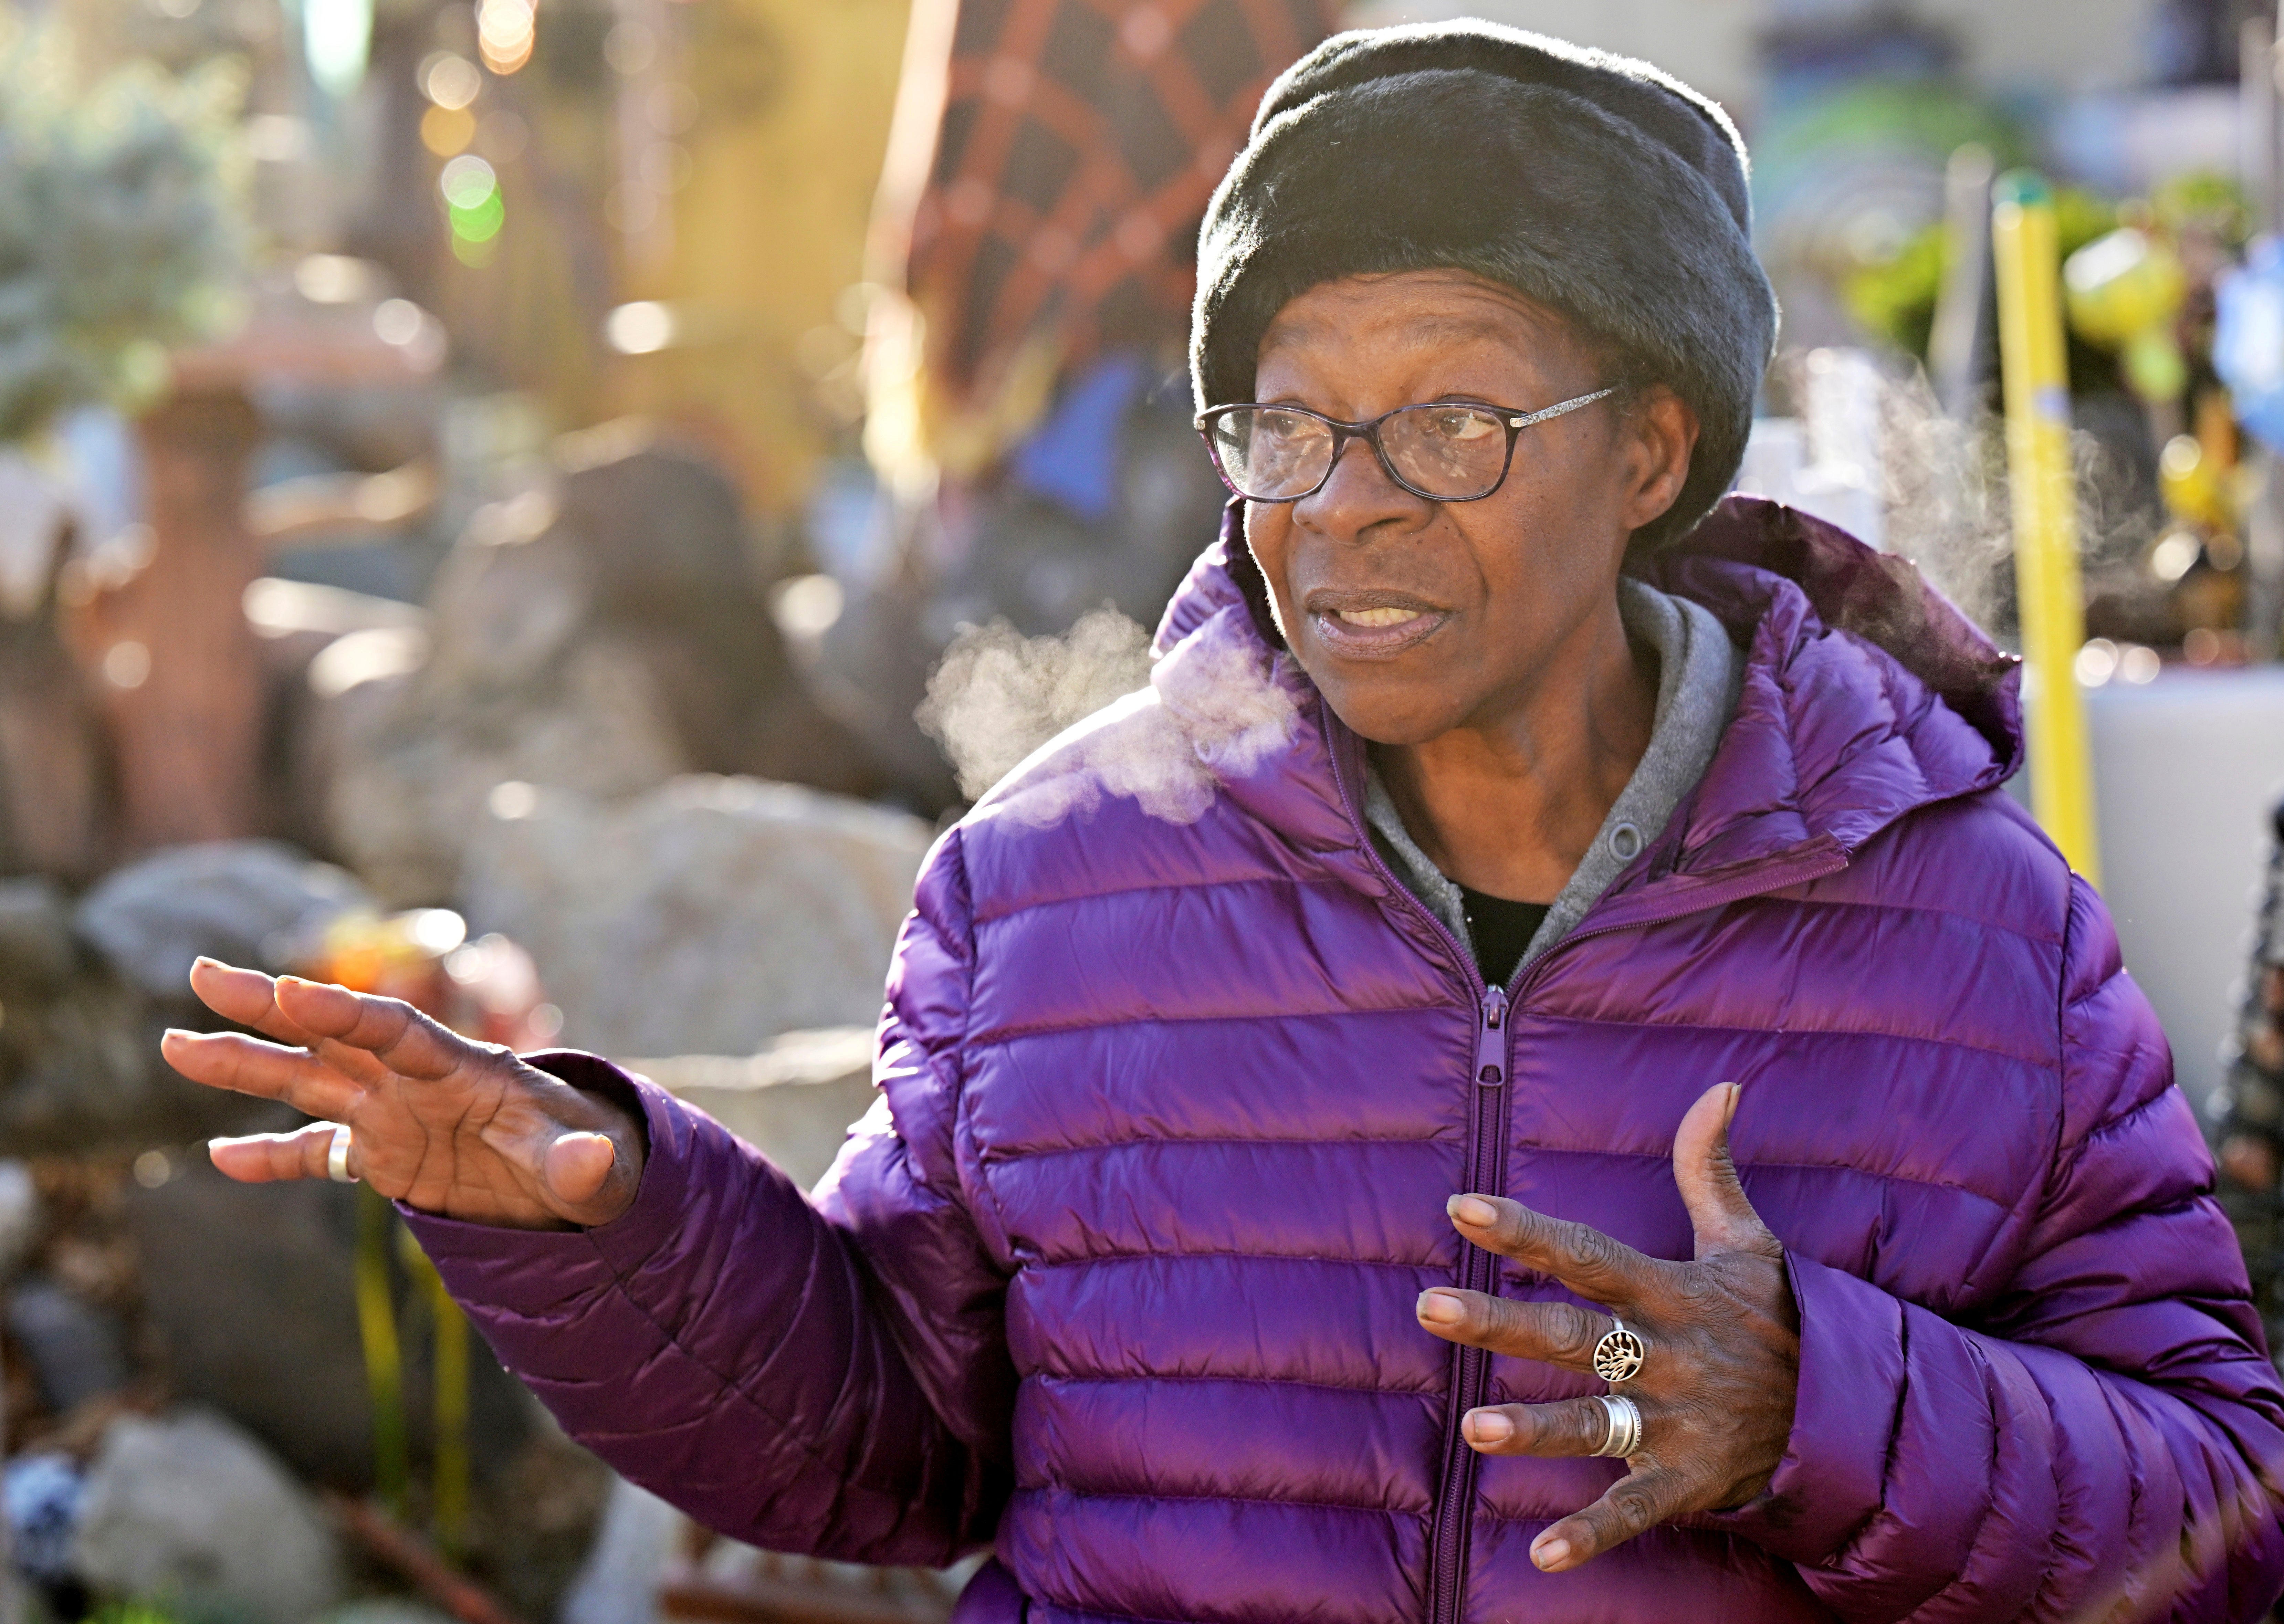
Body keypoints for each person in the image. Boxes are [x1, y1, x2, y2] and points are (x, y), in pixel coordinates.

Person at [165, 22, 2284, 1622]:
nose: (1343, 504)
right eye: (1285, 417)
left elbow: (2222, 1521)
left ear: (1653, 446)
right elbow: (892, 1453)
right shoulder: (1050, 883)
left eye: (1452, 419)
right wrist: (602, 1215)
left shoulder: (1968, 921)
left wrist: (1819, 1410)